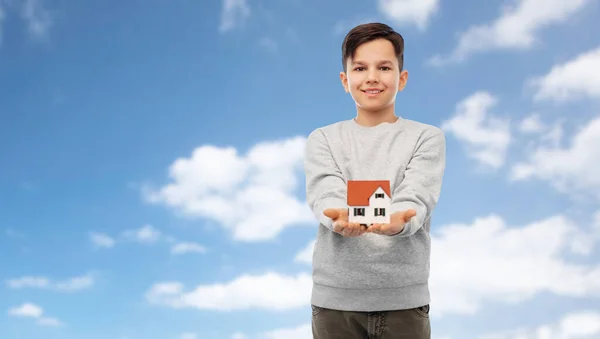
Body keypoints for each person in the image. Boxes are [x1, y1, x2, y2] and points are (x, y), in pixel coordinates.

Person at [303, 22, 446, 339]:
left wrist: (400, 220)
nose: (371, 77)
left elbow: (418, 194)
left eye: (384, 67)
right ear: (345, 80)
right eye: (359, 68)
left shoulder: (427, 137)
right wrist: (337, 216)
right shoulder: (323, 138)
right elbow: (325, 191)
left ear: (402, 78)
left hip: (404, 301)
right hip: (334, 303)